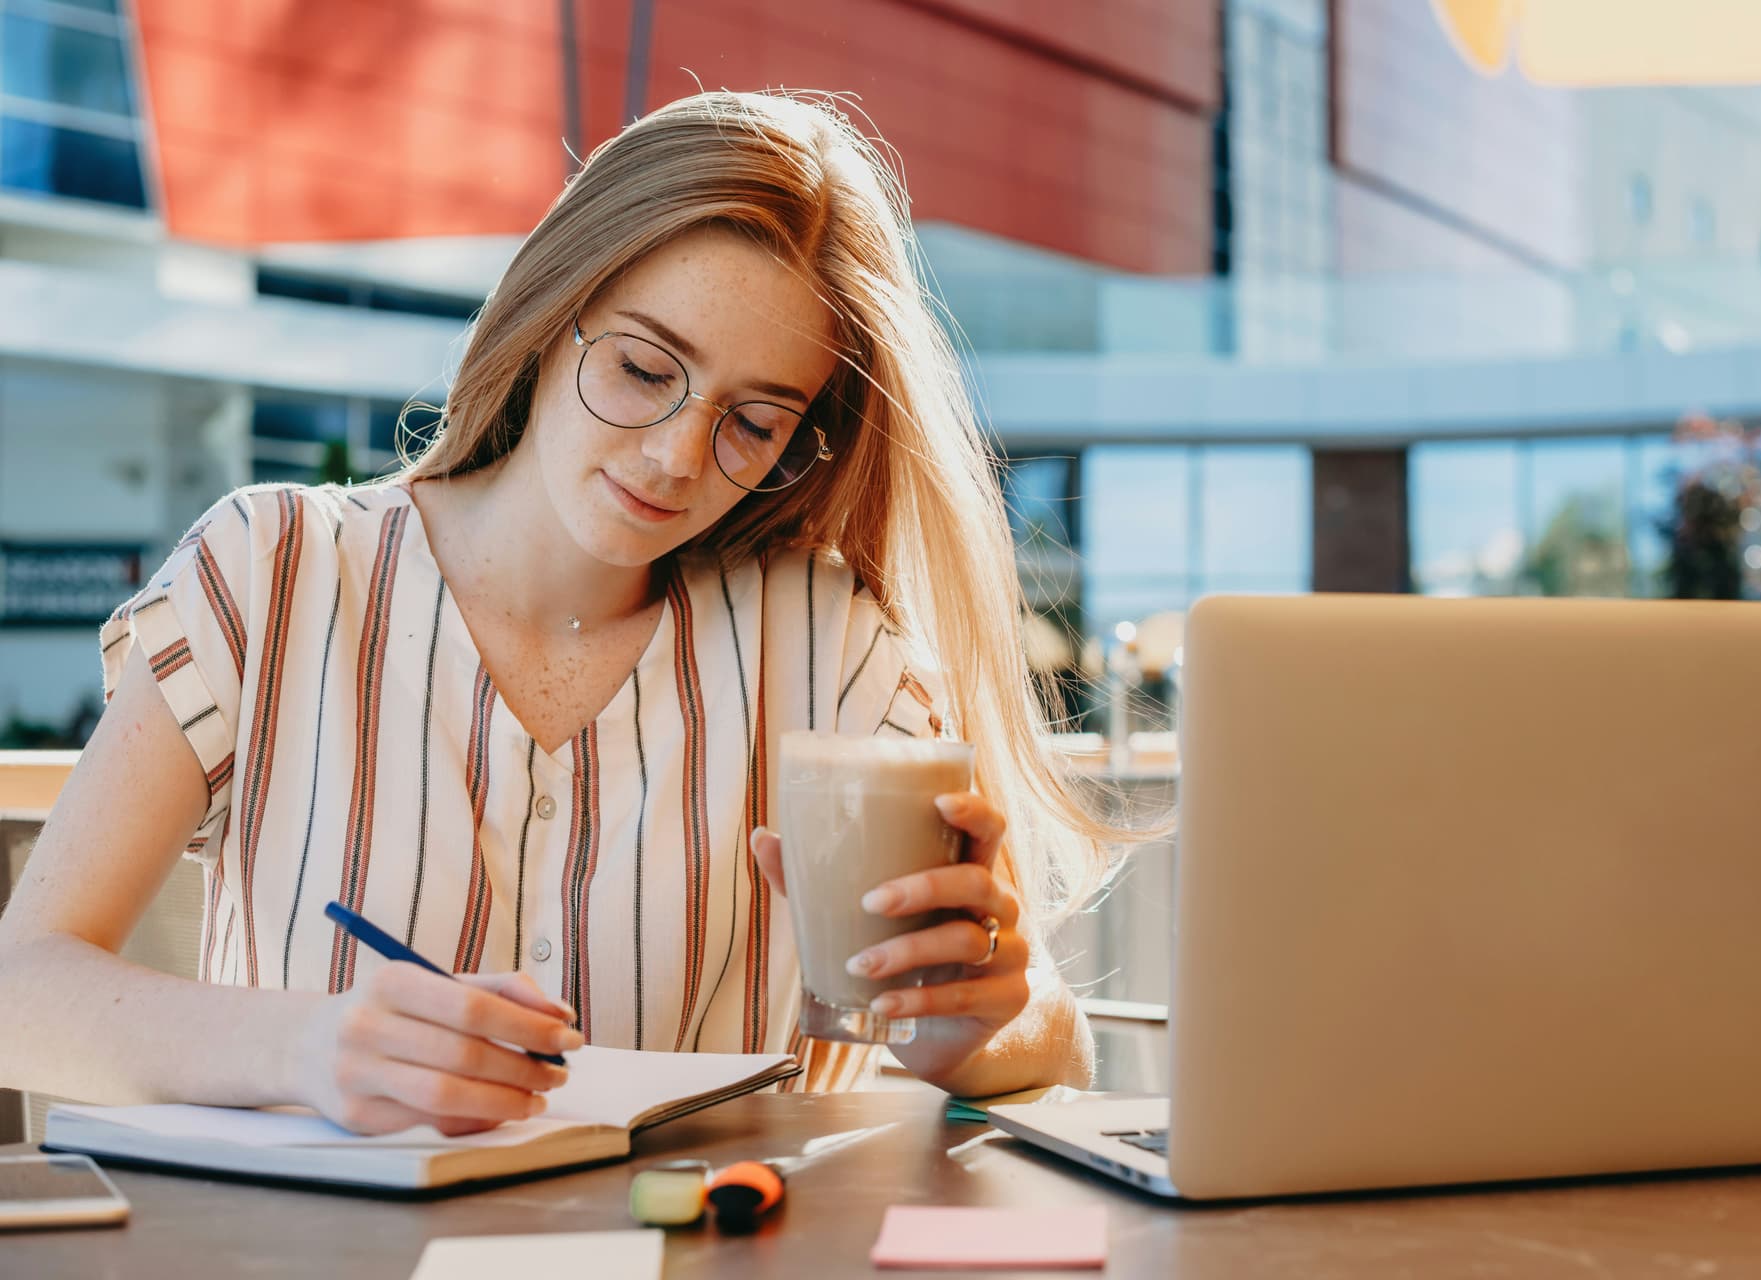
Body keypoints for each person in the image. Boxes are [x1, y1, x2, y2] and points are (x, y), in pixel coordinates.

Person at [0, 91, 1123, 1135]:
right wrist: (308, 1047)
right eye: (643, 368)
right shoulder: (272, 568)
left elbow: (1043, 1036)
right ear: (550, 315)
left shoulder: (832, 650)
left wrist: (981, 1016)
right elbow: (22, 989)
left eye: (754, 421)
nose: (679, 457)